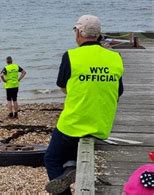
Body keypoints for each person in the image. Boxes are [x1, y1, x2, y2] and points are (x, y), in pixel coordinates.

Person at [44, 15, 124, 194]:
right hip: (102, 125)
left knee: (51, 158)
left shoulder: (71, 56)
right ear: (98, 34)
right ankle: (71, 167)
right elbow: (118, 91)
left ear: (79, 33)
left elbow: (62, 86)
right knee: (70, 150)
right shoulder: (115, 57)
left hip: (73, 124)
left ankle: (66, 186)